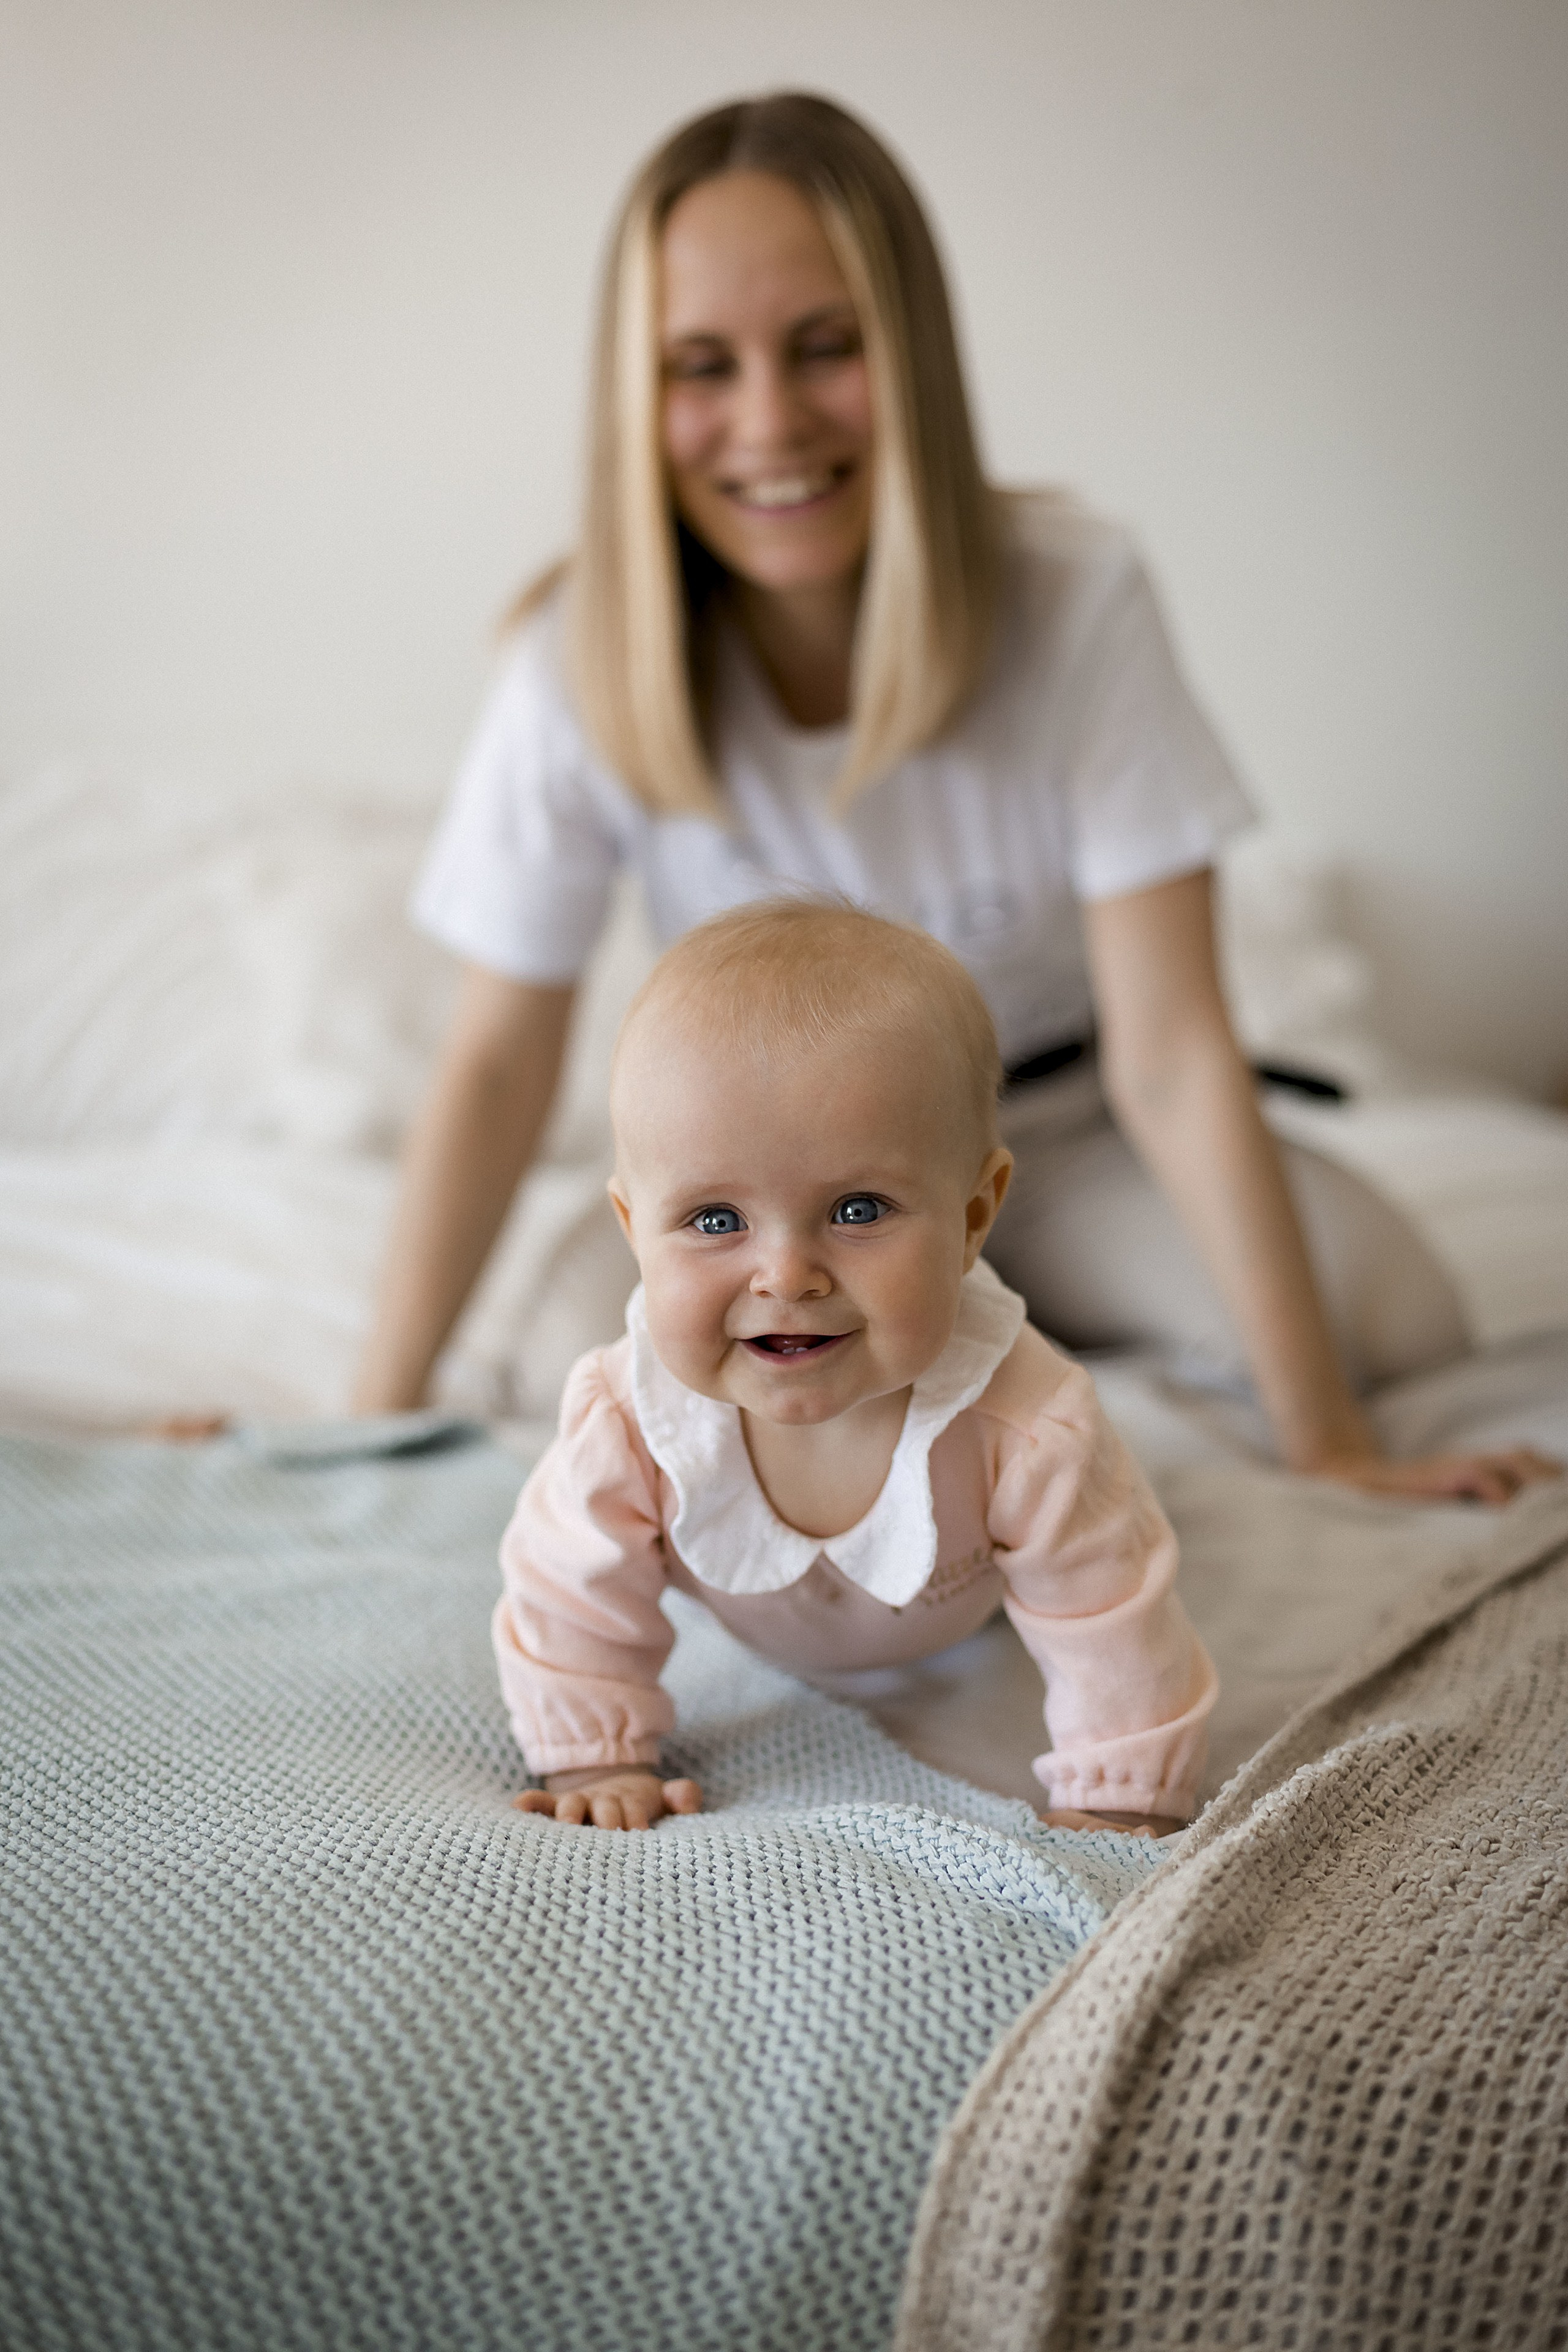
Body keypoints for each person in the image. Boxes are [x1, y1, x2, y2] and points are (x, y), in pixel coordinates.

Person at [359, 89, 1555, 1507]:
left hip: (1053, 1136)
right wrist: (362, 1414)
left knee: (1398, 1316)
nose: (767, 423)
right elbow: (497, 1067)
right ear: (638, 394)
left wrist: (1329, 1443)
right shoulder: (573, 660)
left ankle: (1025, 1317)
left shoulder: (1074, 595)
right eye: (700, 366)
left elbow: (1172, 1051)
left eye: (823, 348)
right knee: (560, 1348)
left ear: (908, 355)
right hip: (773, 1188)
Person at [498, 900, 1215, 1834]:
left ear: (972, 1216)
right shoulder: (629, 1418)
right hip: (768, 1625)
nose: (787, 1275)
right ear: (635, 1231)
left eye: (859, 1209)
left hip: (972, 1609)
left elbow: (1114, 1620)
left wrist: (1120, 1792)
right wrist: (597, 1753)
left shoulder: (1030, 1424)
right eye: (716, 1221)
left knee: (1099, 1536)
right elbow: (567, 1589)